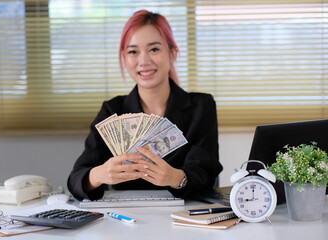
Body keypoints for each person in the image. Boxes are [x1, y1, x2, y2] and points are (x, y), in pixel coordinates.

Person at [67, 9, 223, 201]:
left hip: (184, 213)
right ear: (125, 58)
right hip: (126, 217)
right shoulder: (112, 110)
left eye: (154, 49)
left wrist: (175, 178)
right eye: (133, 52)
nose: (143, 61)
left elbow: (206, 172)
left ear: (172, 53)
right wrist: (100, 174)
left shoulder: (202, 106)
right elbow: (76, 178)